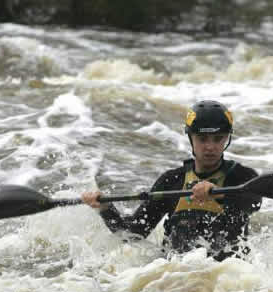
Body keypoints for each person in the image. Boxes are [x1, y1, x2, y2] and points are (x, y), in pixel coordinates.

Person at [82, 100, 262, 261]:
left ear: (227, 139)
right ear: (190, 138)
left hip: (226, 275)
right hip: (174, 276)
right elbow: (133, 233)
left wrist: (218, 194)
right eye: (202, 139)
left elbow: (253, 202)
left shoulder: (243, 177)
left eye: (218, 139)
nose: (210, 146)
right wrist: (105, 208)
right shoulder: (172, 181)